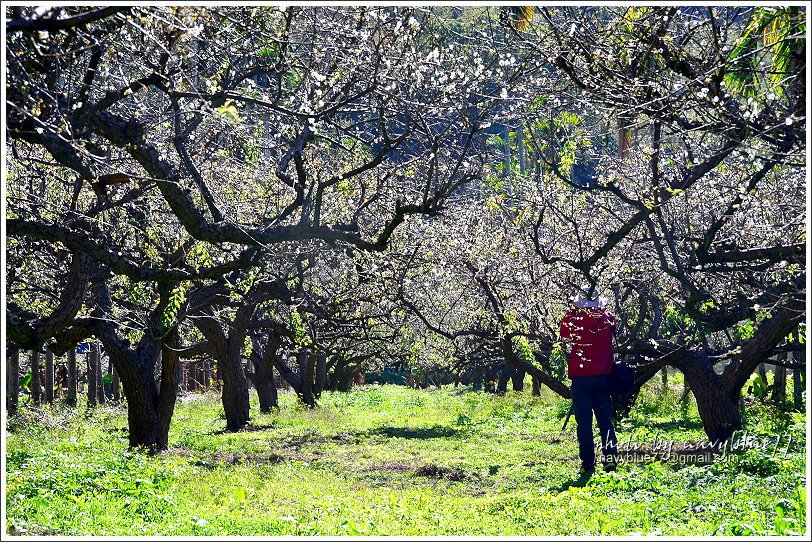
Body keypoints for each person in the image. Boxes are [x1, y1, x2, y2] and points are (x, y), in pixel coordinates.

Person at [559, 287, 618, 474]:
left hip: (582, 378)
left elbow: (564, 334)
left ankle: (588, 465)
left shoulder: (574, 318)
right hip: (603, 377)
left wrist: (573, 311)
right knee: (605, 422)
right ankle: (610, 461)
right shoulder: (607, 319)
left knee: (584, 424)